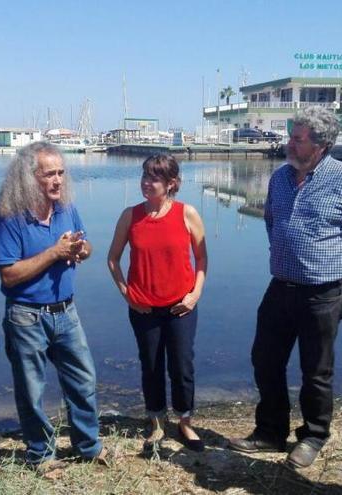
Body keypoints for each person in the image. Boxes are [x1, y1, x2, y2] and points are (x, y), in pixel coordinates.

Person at [228, 106, 342, 469]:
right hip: (280, 286)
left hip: (324, 293)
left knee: (316, 370)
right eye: (291, 136)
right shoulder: (281, 178)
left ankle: (314, 435)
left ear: (321, 144)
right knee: (265, 359)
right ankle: (270, 431)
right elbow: (272, 221)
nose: (289, 144)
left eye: (297, 139)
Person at [0, 142, 106, 468]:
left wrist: (80, 250)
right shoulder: (9, 217)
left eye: (60, 173)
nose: (57, 180)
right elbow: (9, 275)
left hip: (66, 313)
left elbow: (86, 248)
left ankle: (88, 446)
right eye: (49, 174)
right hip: (26, 317)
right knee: (31, 392)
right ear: (30, 178)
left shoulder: (66, 209)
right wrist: (55, 253)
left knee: (83, 380)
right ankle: (41, 455)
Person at [106, 154, 208, 453]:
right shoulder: (130, 215)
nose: (146, 183)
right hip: (144, 308)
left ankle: (185, 421)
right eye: (144, 177)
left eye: (153, 178)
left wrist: (195, 294)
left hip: (181, 306)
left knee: (182, 365)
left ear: (171, 184)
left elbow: (201, 258)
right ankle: (155, 421)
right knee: (151, 365)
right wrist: (127, 293)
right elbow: (112, 259)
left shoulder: (186, 214)